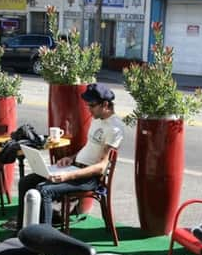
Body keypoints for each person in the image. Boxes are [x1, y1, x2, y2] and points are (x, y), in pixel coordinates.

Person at [15, 83, 124, 230]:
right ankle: (21, 230)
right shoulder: (97, 119)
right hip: (75, 168)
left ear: (105, 104)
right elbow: (89, 147)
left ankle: (45, 241)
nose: (89, 110)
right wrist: (71, 158)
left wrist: (69, 176)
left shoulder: (115, 128)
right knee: (26, 182)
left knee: (44, 190)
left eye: (91, 105)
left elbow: (101, 167)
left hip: (89, 178)